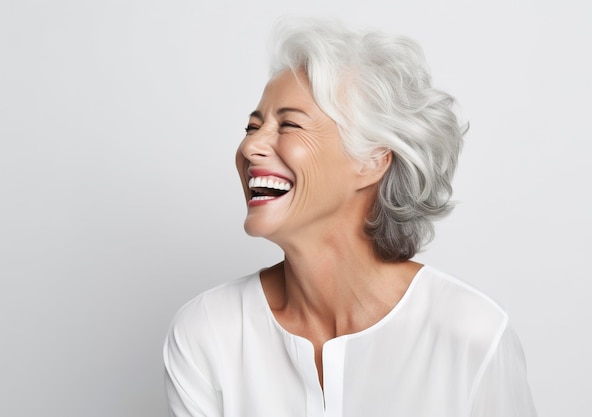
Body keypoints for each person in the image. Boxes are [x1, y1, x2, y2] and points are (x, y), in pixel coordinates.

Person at [163, 19, 537, 417]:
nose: (251, 145)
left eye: (288, 124)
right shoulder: (208, 332)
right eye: (252, 127)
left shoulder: (471, 335)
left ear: (372, 160)